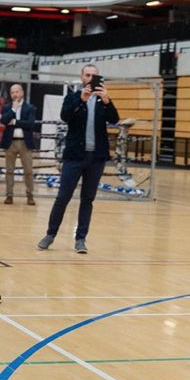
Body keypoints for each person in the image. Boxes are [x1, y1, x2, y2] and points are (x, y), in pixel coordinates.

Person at [37, 64, 119, 254]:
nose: (90, 78)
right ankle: (50, 234)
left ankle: (80, 239)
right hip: (74, 156)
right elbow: (65, 116)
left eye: (94, 75)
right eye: (87, 75)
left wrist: (106, 99)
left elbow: (114, 119)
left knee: (87, 199)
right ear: (82, 77)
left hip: (96, 157)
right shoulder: (73, 97)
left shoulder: (102, 100)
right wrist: (81, 101)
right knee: (63, 197)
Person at [1, 83, 37, 205]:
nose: (15, 94)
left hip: (24, 143)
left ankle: (30, 195)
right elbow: (4, 121)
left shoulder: (30, 108)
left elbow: (31, 124)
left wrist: (15, 121)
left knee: (28, 171)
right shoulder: (7, 107)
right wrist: (13, 109)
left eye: (17, 92)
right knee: (9, 171)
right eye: (12, 92)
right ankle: (9, 195)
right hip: (10, 142)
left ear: (22, 93)